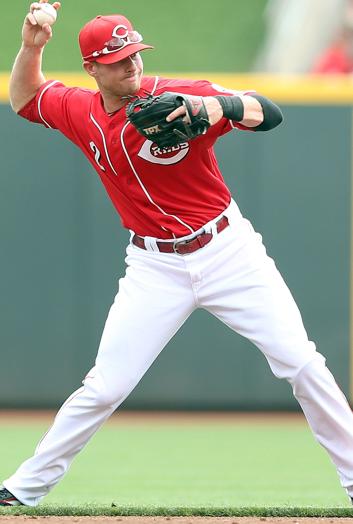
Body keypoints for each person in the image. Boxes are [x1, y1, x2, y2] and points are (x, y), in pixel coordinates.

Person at [2, 0, 353, 507]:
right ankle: (23, 489)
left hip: (228, 252)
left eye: (135, 52)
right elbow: (25, 98)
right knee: (105, 385)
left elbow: (267, 113)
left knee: (302, 364)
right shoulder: (80, 110)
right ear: (92, 69)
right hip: (154, 266)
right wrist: (32, 47)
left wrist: (218, 108)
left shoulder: (174, 96)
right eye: (118, 58)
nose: (132, 63)